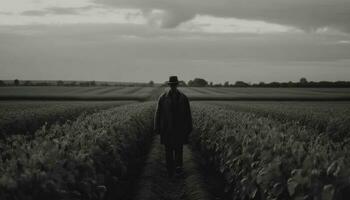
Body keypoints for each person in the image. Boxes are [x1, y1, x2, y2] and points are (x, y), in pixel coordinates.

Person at [154, 76, 193, 177]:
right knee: (168, 150)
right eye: (172, 85)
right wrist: (157, 127)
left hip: (179, 128)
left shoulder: (183, 98)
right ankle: (170, 170)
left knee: (179, 150)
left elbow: (188, 114)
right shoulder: (162, 98)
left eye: (174, 85)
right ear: (170, 85)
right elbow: (158, 113)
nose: (173, 86)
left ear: (176, 85)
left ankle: (178, 169)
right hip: (167, 128)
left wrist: (189, 128)